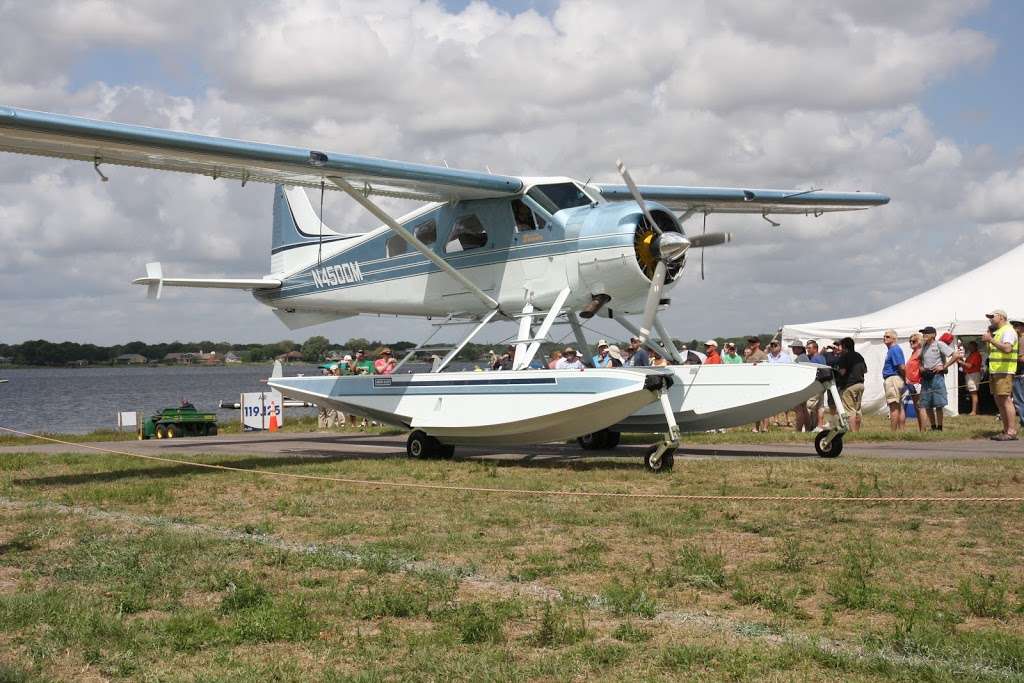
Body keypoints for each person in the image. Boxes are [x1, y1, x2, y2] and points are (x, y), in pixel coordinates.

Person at [982, 309, 1018, 440]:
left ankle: (1011, 431)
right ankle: (1006, 430)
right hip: (996, 370)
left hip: (1004, 371)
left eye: (992, 316)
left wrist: (990, 339)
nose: (990, 319)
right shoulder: (999, 332)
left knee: (1005, 400)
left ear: (1001, 317)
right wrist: (989, 340)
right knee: (1000, 401)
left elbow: (1007, 349)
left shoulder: (1007, 331)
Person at [917, 326, 959, 431]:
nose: (924, 335)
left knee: (939, 403)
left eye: (926, 333)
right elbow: (920, 360)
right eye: (923, 333)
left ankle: (939, 427)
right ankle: (933, 426)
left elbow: (955, 355)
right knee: (927, 404)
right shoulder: (924, 346)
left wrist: (944, 366)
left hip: (937, 377)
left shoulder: (939, 344)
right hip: (926, 377)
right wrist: (921, 367)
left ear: (934, 335)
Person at [833, 337, 867, 432]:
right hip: (860, 384)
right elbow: (865, 370)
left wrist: (836, 370)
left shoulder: (844, 357)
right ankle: (857, 431)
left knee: (849, 410)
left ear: (844, 347)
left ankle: (852, 432)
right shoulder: (859, 356)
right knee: (857, 410)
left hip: (849, 386)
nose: (839, 348)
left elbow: (842, 372)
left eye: (840, 346)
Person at [881, 329, 906, 431]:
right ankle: (901, 431)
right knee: (899, 405)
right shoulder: (892, 350)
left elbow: (902, 367)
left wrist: (904, 378)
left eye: (887, 336)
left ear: (894, 338)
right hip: (895, 378)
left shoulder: (894, 349)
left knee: (893, 406)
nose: (884, 338)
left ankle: (893, 431)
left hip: (893, 379)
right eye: (884, 336)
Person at [905, 333, 927, 432]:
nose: (911, 343)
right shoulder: (914, 352)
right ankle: (920, 428)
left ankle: (923, 429)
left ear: (919, 342)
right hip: (911, 382)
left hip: (918, 382)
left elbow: (924, 366)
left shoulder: (921, 352)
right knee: (917, 407)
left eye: (914, 341)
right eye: (910, 341)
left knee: (920, 406)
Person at [962, 341, 983, 416]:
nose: (970, 348)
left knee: (973, 392)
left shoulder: (976, 355)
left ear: (975, 347)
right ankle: (976, 410)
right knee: (972, 392)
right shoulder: (972, 354)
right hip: (970, 374)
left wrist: (960, 362)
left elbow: (969, 366)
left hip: (973, 374)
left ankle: (974, 411)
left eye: (971, 346)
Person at [1011, 319, 1024, 429]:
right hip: (1019, 373)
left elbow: (1022, 359)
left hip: (1020, 373)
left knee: (1019, 399)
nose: (1014, 328)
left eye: (1016, 326)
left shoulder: (1021, 339)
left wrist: (1011, 358)